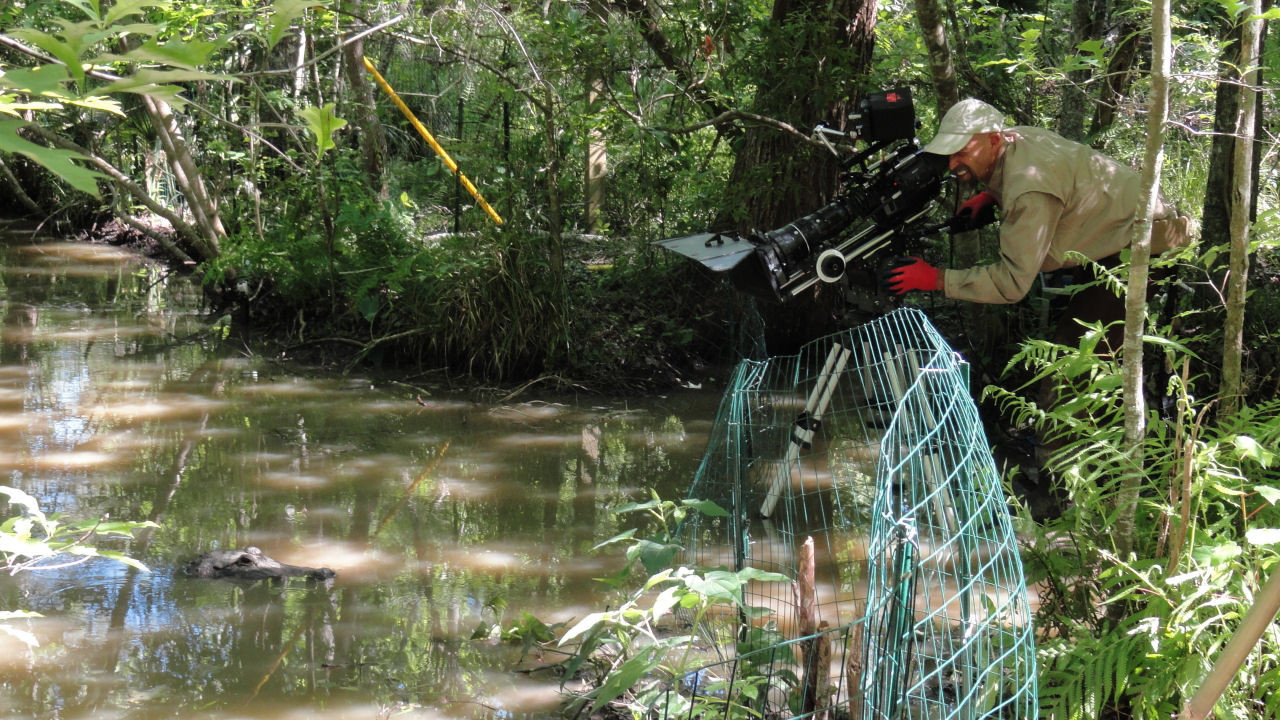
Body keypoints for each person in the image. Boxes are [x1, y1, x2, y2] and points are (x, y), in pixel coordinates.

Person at [882, 98, 1193, 512]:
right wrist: (990, 198)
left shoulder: (1030, 189)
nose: (954, 163)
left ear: (994, 139)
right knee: (1085, 354)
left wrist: (935, 279)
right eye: (949, 152)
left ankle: (1059, 496)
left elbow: (1013, 283)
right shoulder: (1016, 143)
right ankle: (1095, 448)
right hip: (1111, 239)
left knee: (1071, 365)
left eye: (963, 151)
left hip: (1142, 250)